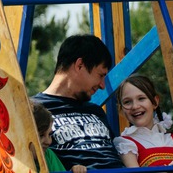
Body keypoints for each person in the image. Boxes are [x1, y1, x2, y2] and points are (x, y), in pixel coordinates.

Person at [31, 34, 121, 171]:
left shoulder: (96, 111)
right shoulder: (34, 110)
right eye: (101, 75)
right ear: (80, 65)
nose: (103, 85)